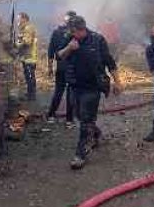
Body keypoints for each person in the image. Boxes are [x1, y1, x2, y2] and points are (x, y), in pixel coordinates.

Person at [58, 16, 122, 170]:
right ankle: (95, 133)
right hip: (74, 86)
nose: (71, 34)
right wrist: (69, 48)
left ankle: (80, 155)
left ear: (82, 29)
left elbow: (109, 62)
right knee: (79, 116)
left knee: (86, 119)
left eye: (73, 31)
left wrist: (118, 82)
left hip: (93, 88)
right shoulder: (69, 39)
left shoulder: (98, 40)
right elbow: (58, 55)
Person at [46, 11, 76, 125]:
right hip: (72, 68)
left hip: (61, 68)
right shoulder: (74, 34)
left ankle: (51, 115)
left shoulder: (56, 32)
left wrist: (49, 68)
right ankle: (69, 120)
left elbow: (50, 52)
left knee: (58, 91)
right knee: (70, 93)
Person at [16, 12, 38, 101]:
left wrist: (16, 44)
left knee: (30, 76)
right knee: (28, 76)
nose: (18, 21)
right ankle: (30, 93)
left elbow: (27, 42)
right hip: (26, 57)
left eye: (19, 19)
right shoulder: (24, 28)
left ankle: (31, 96)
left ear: (24, 19)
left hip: (30, 57)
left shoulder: (28, 28)